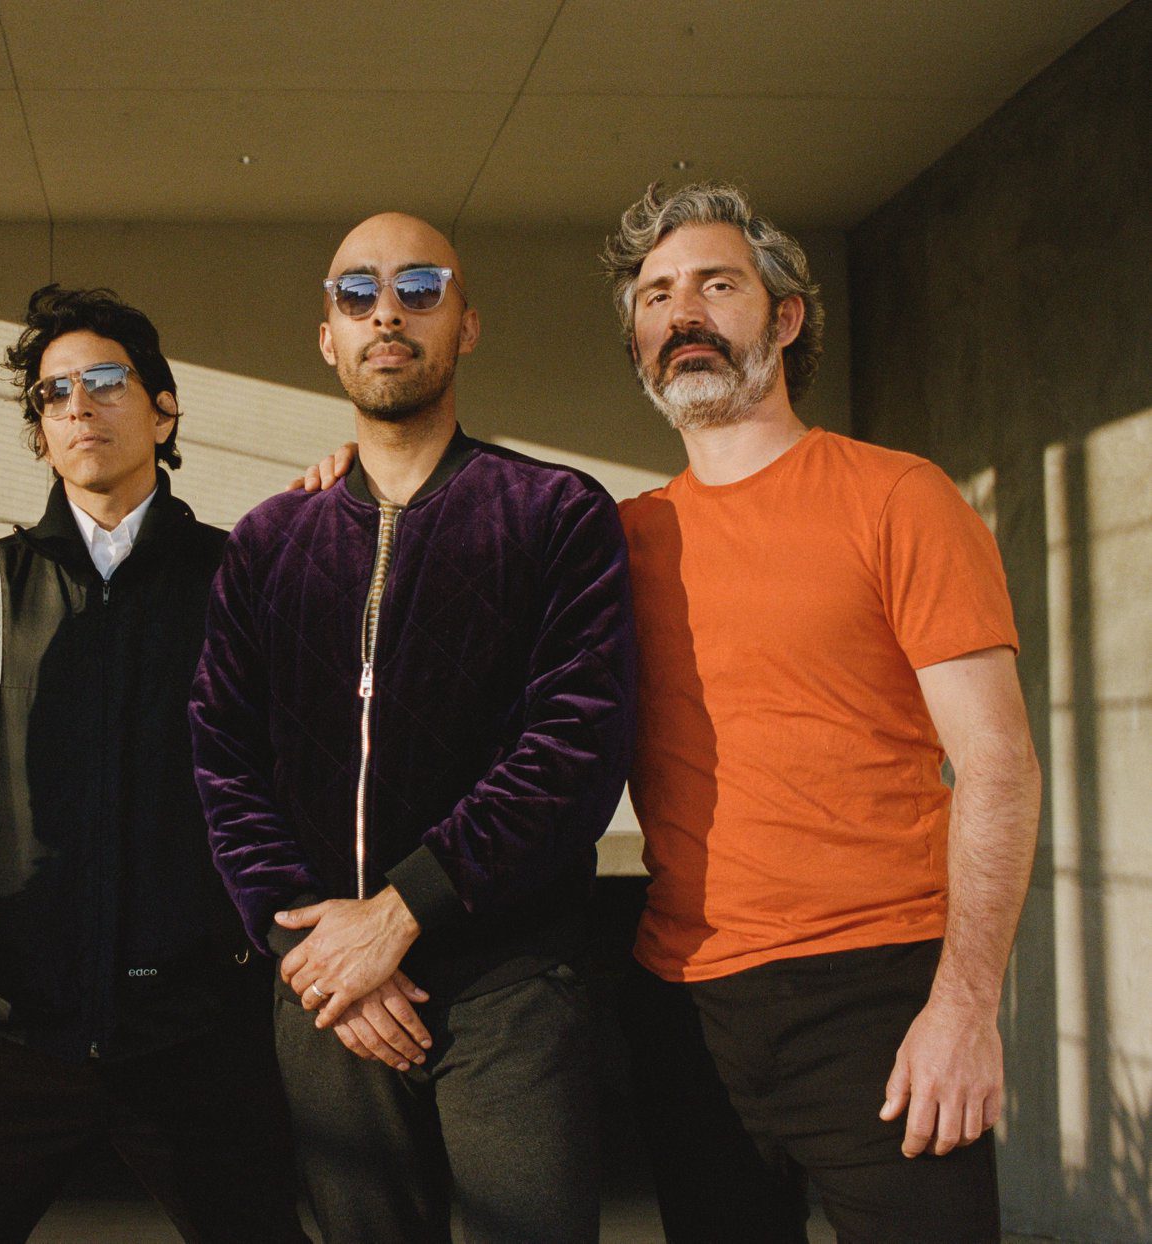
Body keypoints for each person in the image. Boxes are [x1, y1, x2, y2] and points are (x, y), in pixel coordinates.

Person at [600, 181, 1039, 1242]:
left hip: (877, 996)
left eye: (716, 285)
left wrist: (965, 1007)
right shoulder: (617, 539)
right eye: (656, 296)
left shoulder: (897, 496)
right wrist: (341, 482)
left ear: (786, 317)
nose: (682, 312)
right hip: (686, 1005)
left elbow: (998, 765)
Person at [189, 212, 636, 1243]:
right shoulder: (268, 542)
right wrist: (305, 938)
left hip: (510, 983)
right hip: (324, 987)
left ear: (465, 325)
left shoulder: (555, 512)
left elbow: (575, 744)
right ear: (328, 337)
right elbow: (223, 756)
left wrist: (402, 910)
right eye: (358, 293)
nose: (387, 311)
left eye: (419, 288)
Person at [0, 285, 305, 1243]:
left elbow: (294, 775)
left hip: (195, 1027)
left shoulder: (241, 579)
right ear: (41, 434)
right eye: (53, 394)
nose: (78, 405)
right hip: (6, 1027)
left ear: (163, 410)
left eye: (106, 381)